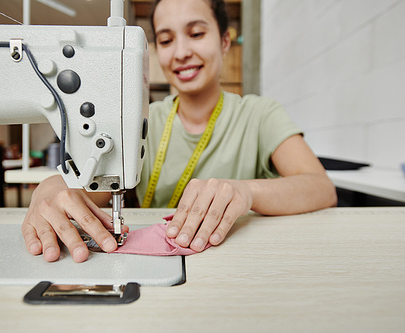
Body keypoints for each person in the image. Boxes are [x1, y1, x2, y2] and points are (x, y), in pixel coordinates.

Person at [21, 0, 337, 263]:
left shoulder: (260, 115)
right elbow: (89, 188)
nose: (182, 52)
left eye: (196, 33)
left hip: (241, 266)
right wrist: (52, 188)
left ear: (225, 40)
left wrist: (247, 192)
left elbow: (321, 187)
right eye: (167, 40)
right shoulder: (138, 123)